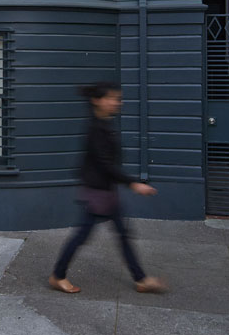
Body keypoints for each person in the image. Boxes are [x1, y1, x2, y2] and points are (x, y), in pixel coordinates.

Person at [49, 82, 167, 295]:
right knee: (82, 236)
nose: (116, 103)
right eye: (112, 98)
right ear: (97, 100)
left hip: (105, 191)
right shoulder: (96, 129)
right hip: (97, 193)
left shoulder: (104, 124)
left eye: (118, 99)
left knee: (122, 234)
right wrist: (133, 183)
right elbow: (105, 164)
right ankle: (57, 275)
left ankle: (141, 279)